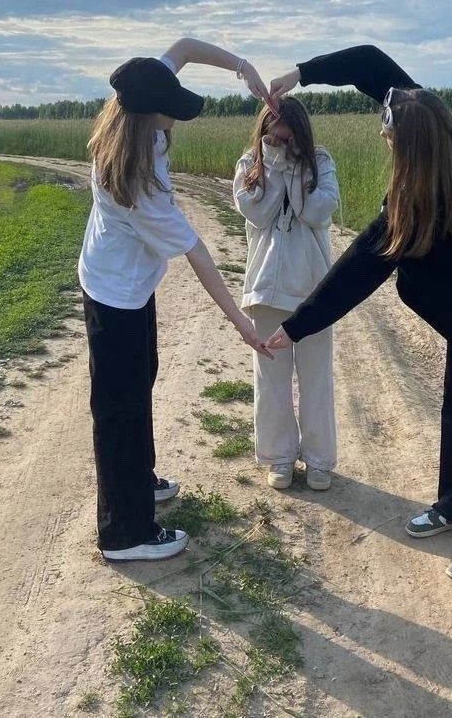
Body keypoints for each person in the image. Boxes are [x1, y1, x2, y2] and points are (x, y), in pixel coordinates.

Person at [265, 45, 452, 586]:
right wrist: (301, 75)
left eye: (388, 139)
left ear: (410, 146)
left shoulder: (417, 199)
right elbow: (371, 63)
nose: (383, 139)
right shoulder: (445, 134)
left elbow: (357, 271)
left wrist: (294, 326)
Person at [79, 38, 273, 562]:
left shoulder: (140, 103)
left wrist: (242, 67)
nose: (178, 120)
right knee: (119, 408)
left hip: (129, 284)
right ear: (148, 118)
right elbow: (199, 256)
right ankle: (125, 533)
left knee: (142, 377)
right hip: (113, 293)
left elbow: (184, 47)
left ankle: (139, 480)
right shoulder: (136, 184)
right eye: (173, 113)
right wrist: (242, 326)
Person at [233, 97, 340, 491]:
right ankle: (278, 457)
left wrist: (294, 168)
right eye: (272, 128)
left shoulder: (321, 162)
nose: (279, 135)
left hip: (314, 291)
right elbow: (257, 213)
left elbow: (316, 211)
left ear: (299, 127)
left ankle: (318, 461)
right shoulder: (250, 165)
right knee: (271, 379)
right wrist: (274, 164)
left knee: (316, 378)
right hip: (265, 289)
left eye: (285, 127)